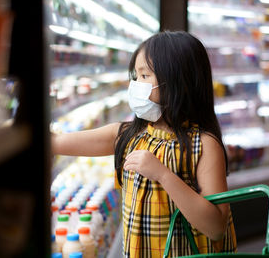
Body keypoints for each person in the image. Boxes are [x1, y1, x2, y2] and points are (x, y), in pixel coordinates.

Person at [52, 31, 237, 257]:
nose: (136, 85)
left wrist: (163, 175)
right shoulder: (130, 135)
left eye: (144, 76)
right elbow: (60, 143)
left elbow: (215, 227)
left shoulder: (204, 146)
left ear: (178, 81)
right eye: (136, 76)